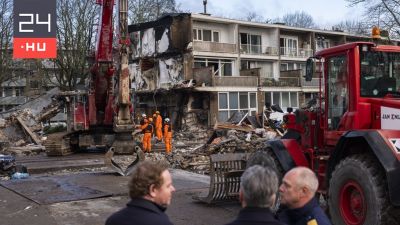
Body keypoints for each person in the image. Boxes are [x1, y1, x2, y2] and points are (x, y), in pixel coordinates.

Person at [105, 160, 176, 225]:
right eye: (168, 186)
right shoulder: (162, 223)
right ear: (153, 190)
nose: (173, 189)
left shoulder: (112, 220)